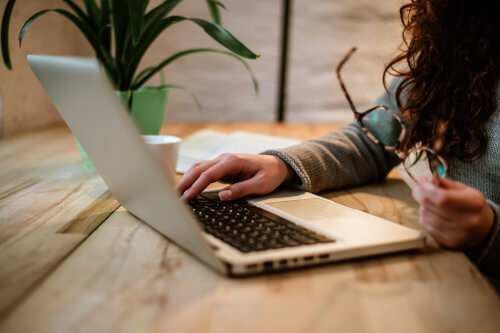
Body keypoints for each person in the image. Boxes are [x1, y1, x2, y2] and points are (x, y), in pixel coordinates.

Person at [177, 0, 499, 284]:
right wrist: (282, 165)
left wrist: (489, 228)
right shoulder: (457, 39)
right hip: (434, 272)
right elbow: (374, 139)